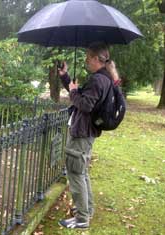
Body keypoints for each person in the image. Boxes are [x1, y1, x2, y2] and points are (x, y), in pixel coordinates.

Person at [58, 42, 120, 229]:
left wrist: (75, 91)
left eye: (87, 58)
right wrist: (65, 77)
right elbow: (82, 97)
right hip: (88, 131)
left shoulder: (97, 80)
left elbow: (85, 105)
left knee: (75, 172)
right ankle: (87, 210)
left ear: (95, 58)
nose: (86, 62)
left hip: (82, 132)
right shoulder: (104, 78)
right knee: (81, 172)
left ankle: (82, 218)